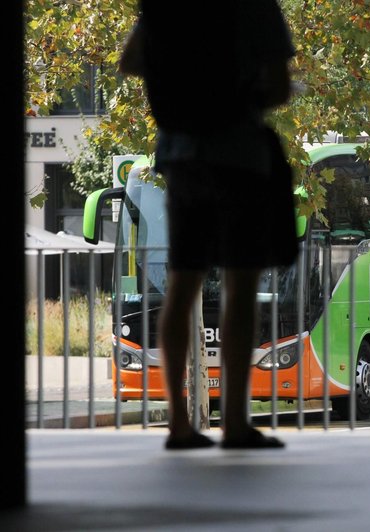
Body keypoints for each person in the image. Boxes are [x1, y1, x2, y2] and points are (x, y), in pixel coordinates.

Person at [136, 0, 299, 449]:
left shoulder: (165, 8)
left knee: (182, 282)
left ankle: (178, 425)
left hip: (180, 155)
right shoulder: (255, 6)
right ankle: (235, 423)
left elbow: (132, 59)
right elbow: (281, 88)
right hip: (238, 156)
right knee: (239, 287)